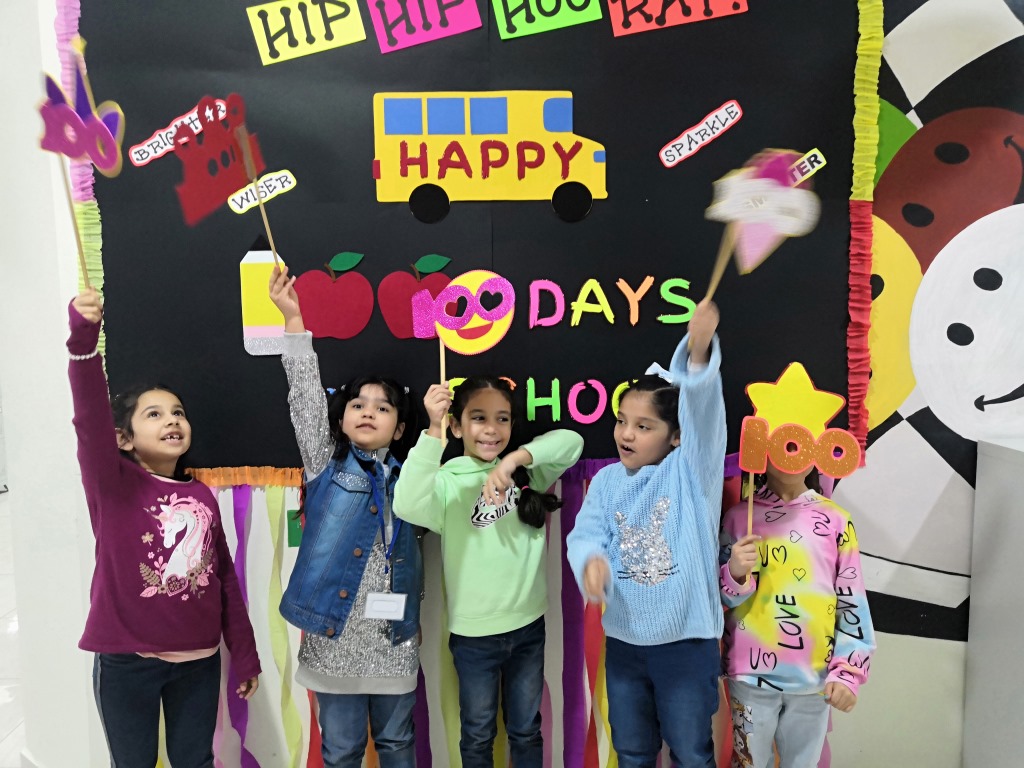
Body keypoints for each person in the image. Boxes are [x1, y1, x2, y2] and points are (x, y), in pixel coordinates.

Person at [67, 288, 260, 767]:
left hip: (198, 662)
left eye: (178, 413)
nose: (172, 420)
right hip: (127, 662)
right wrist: (83, 342)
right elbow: (90, 420)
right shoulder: (112, 483)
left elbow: (224, 581)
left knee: (195, 761)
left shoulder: (202, 496)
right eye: (154, 414)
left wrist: (244, 653)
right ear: (124, 438)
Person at [269, 266, 425, 768]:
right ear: (341, 418)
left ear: (399, 428)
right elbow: (304, 397)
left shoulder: (414, 476)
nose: (368, 411)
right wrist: (293, 321)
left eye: (383, 408)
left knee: (398, 744)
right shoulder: (325, 463)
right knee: (341, 751)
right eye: (357, 404)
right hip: (332, 636)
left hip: (393, 637)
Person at [566, 299, 726, 768]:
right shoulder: (608, 481)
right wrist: (590, 562)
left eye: (643, 426)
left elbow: (704, 413)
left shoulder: (692, 472)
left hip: (687, 646)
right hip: (625, 646)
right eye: (621, 421)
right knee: (632, 751)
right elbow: (585, 535)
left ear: (676, 435)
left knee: (690, 753)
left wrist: (698, 354)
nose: (626, 434)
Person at [393, 376, 583, 768]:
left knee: (526, 730)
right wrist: (432, 429)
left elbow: (572, 442)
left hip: (528, 627)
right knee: (478, 734)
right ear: (457, 426)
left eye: (502, 419)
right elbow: (407, 504)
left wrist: (514, 461)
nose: (492, 429)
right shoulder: (446, 484)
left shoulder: (526, 474)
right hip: (474, 637)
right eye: (479, 418)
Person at [720, 464, 875, 768]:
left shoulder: (836, 521)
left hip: (813, 680)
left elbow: (852, 601)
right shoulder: (739, 518)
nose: (791, 454)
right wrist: (735, 572)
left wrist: (848, 672)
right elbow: (719, 598)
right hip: (749, 678)